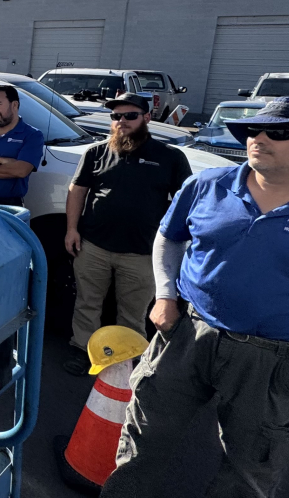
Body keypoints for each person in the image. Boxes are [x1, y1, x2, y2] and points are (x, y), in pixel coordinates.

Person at [103, 97, 289, 497]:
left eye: (279, 132)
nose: (258, 138)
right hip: (186, 336)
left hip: (278, 360)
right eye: (253, 130)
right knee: (141, 444)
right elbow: (169, 238)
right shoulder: (206, 185)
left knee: (248, 473)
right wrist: (165, 295)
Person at [61, 93, 191, 377]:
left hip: (142, 252)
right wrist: (72, 229)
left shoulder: (170, 157)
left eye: (130, 115)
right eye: (116, 116)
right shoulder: (96, 153)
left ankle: (125, 362)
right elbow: (77, 191)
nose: (121, 121)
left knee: (132, 312)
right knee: (87, 302)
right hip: (93, 245)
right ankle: (83, 349)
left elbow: (185, 202)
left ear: (146, 118)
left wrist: (177, 244)